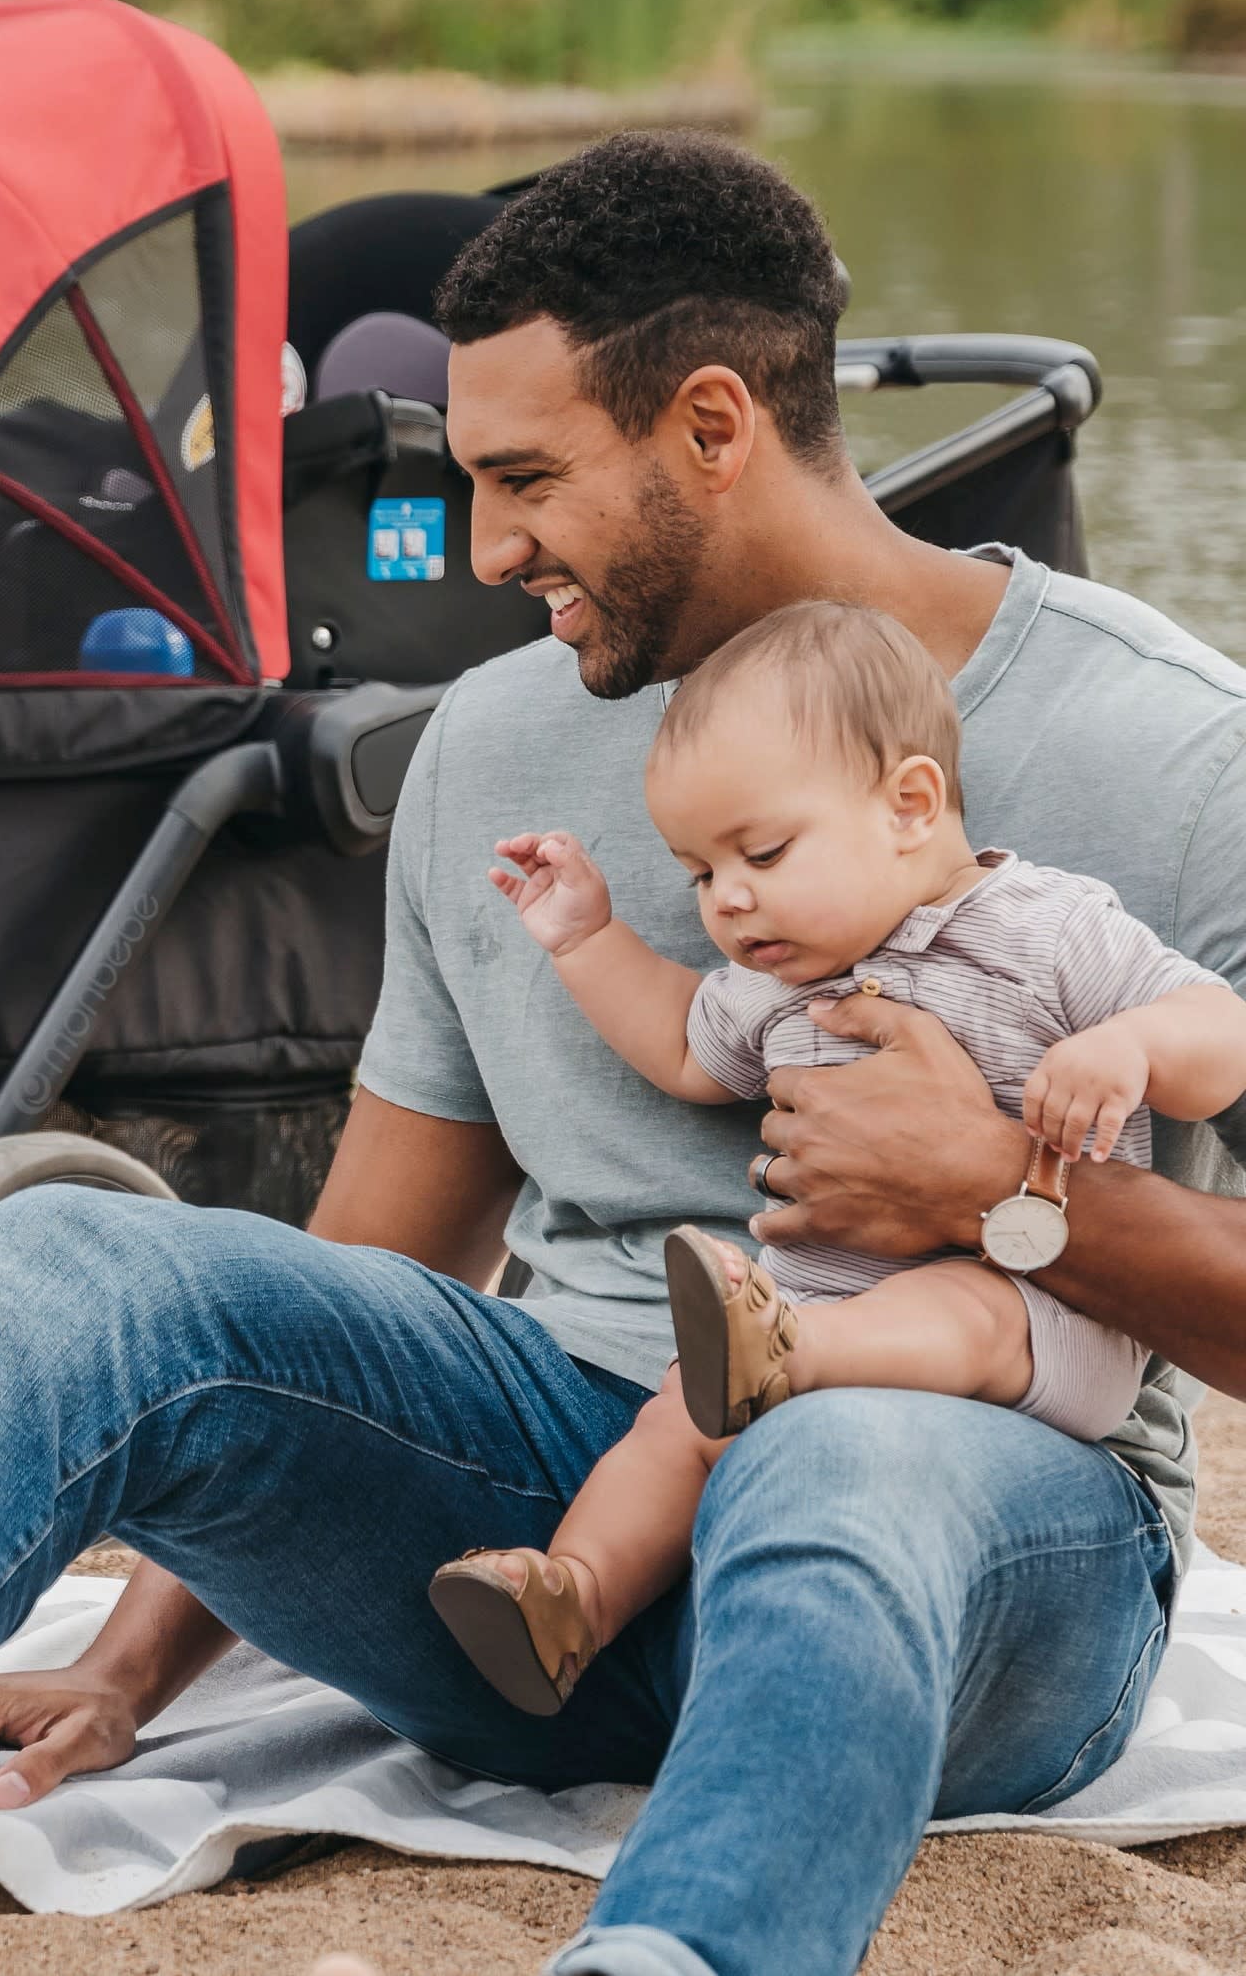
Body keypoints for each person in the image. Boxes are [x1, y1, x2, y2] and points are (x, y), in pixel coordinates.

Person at [0, 131, 1246, 1976]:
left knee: (836, 1429)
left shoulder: (1170, 756)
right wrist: (132, 1655)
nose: (478, 552)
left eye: (527, 479)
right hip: (553, 1556)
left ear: (713, 425)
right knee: (89, 1260)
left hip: (999, 1560)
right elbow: (355, 1282)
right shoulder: (492, 749)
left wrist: (1007, 1195)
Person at [430, 600, 1246, 1714]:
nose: (729, 898)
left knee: (959, 1307)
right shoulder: (783, 986)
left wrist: (1129, 1046)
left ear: (911, 803)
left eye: (761, 852)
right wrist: (585, 938)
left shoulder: (1047, 928)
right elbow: (679, 1041)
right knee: (681, 1415)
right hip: (810, 1317)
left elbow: (1222, 1033)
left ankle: (791, 1355)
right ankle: (573, 1594)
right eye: (700, 874)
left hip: (1034, 1314)